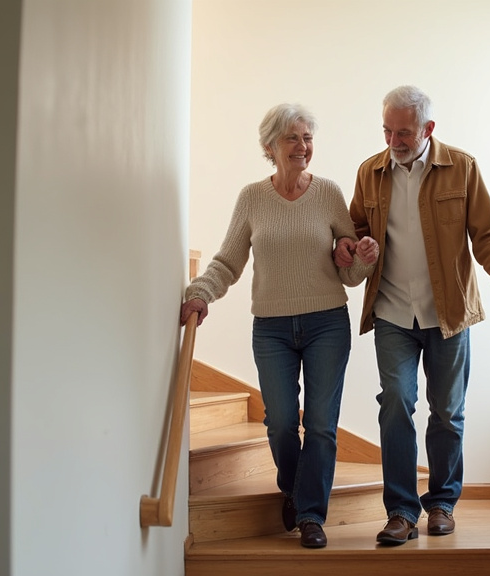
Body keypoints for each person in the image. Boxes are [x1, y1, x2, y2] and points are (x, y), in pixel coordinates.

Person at [335, 85, 490, 546]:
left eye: (403, 132)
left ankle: (442, 503)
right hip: (391, 312)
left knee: (447, 413)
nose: (394, 140)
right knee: (396, 405)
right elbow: (353, 233)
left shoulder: (461, 168)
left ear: (428, 128)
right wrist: (353, 248)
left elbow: (487, 235)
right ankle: (401, 512)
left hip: (448, 313)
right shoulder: (370, 172)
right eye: (387, 130)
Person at [181, 103, 379, 549]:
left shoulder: (328, 193)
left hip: (327, 321)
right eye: (293, 138)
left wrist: (362, 260)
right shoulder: (252, 198)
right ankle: (292, 487)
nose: (303, 146)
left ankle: (311, 515)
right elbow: (229, 260)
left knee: (323, 423)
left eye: (308, 137)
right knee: (280, 423)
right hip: (270, 328)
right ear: (270, 146)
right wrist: (201, 292)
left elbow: (346, 268)